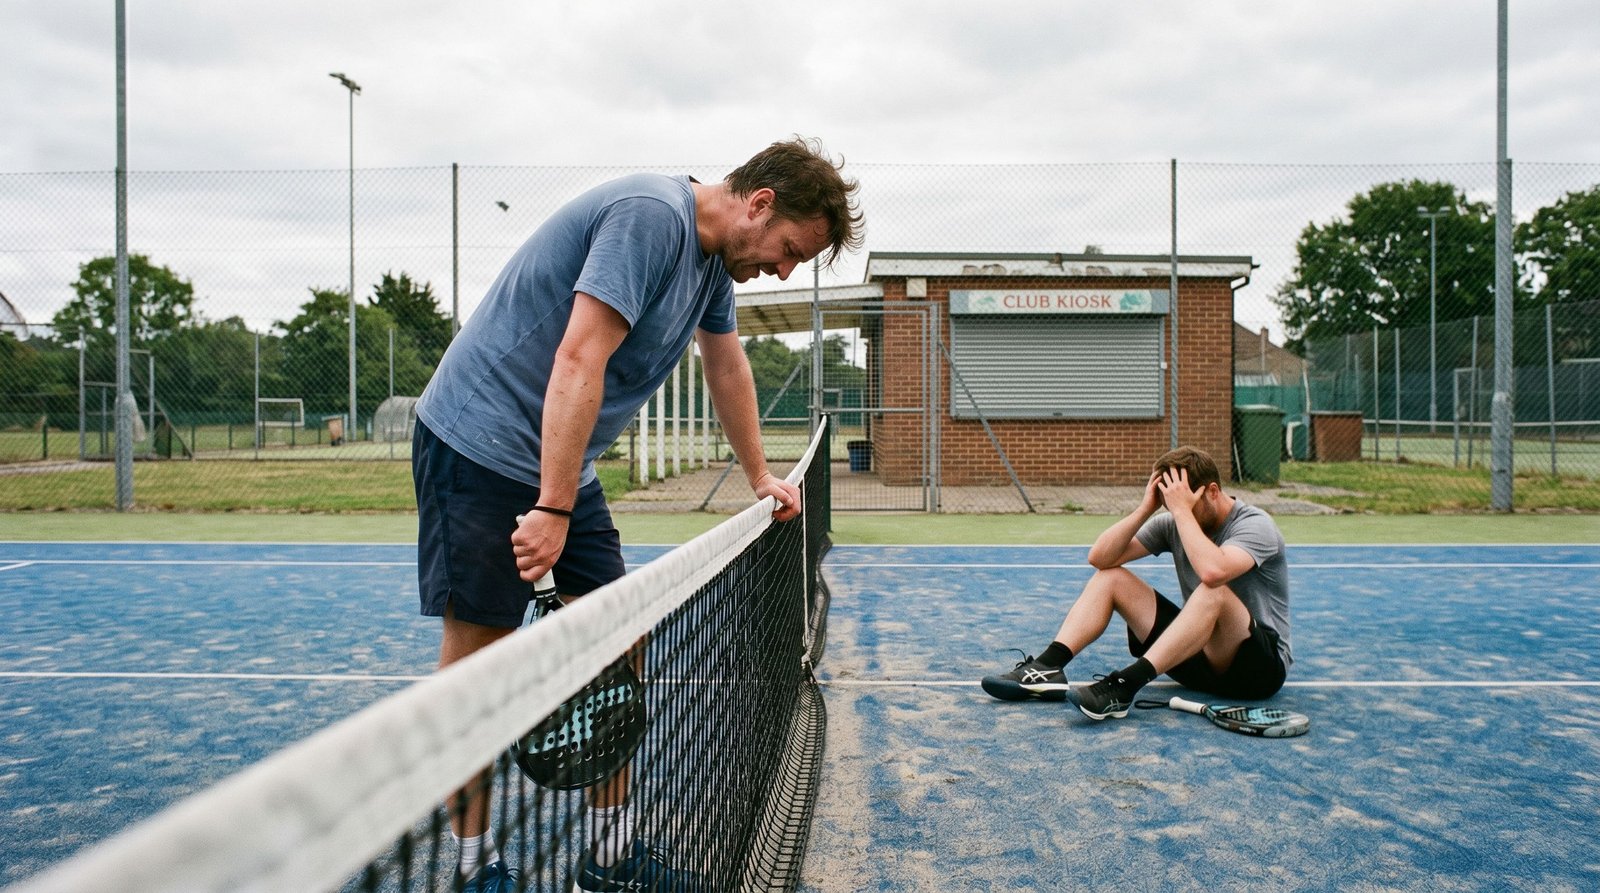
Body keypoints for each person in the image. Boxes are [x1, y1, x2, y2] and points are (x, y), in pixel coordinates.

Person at [412, 137, 863, 892]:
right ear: (758, 204)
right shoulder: (652, 219)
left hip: (562, 457)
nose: (783, 271)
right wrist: (553, 505)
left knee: (625, 635)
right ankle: (470, 870)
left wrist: (760, 476)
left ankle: (610, 856)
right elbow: (579, 358)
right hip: (479, 445)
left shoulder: (713, 264)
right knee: (477, 671)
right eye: (788, 250)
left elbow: (726, 362)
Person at [981, 446, 1292, 721]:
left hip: (1257, 670)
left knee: (1213, 591)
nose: (1177, 513)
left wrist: (1182, 511)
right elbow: (1100, 557)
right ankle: (1049, 667)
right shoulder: (1174, 521)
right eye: (1170, 505)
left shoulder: (1255, 525)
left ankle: (1123, 687)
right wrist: (1147, 508)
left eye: (1183, 505)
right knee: (1111, 577)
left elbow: (1214, 572)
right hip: (1197, 662)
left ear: (1212, 492)